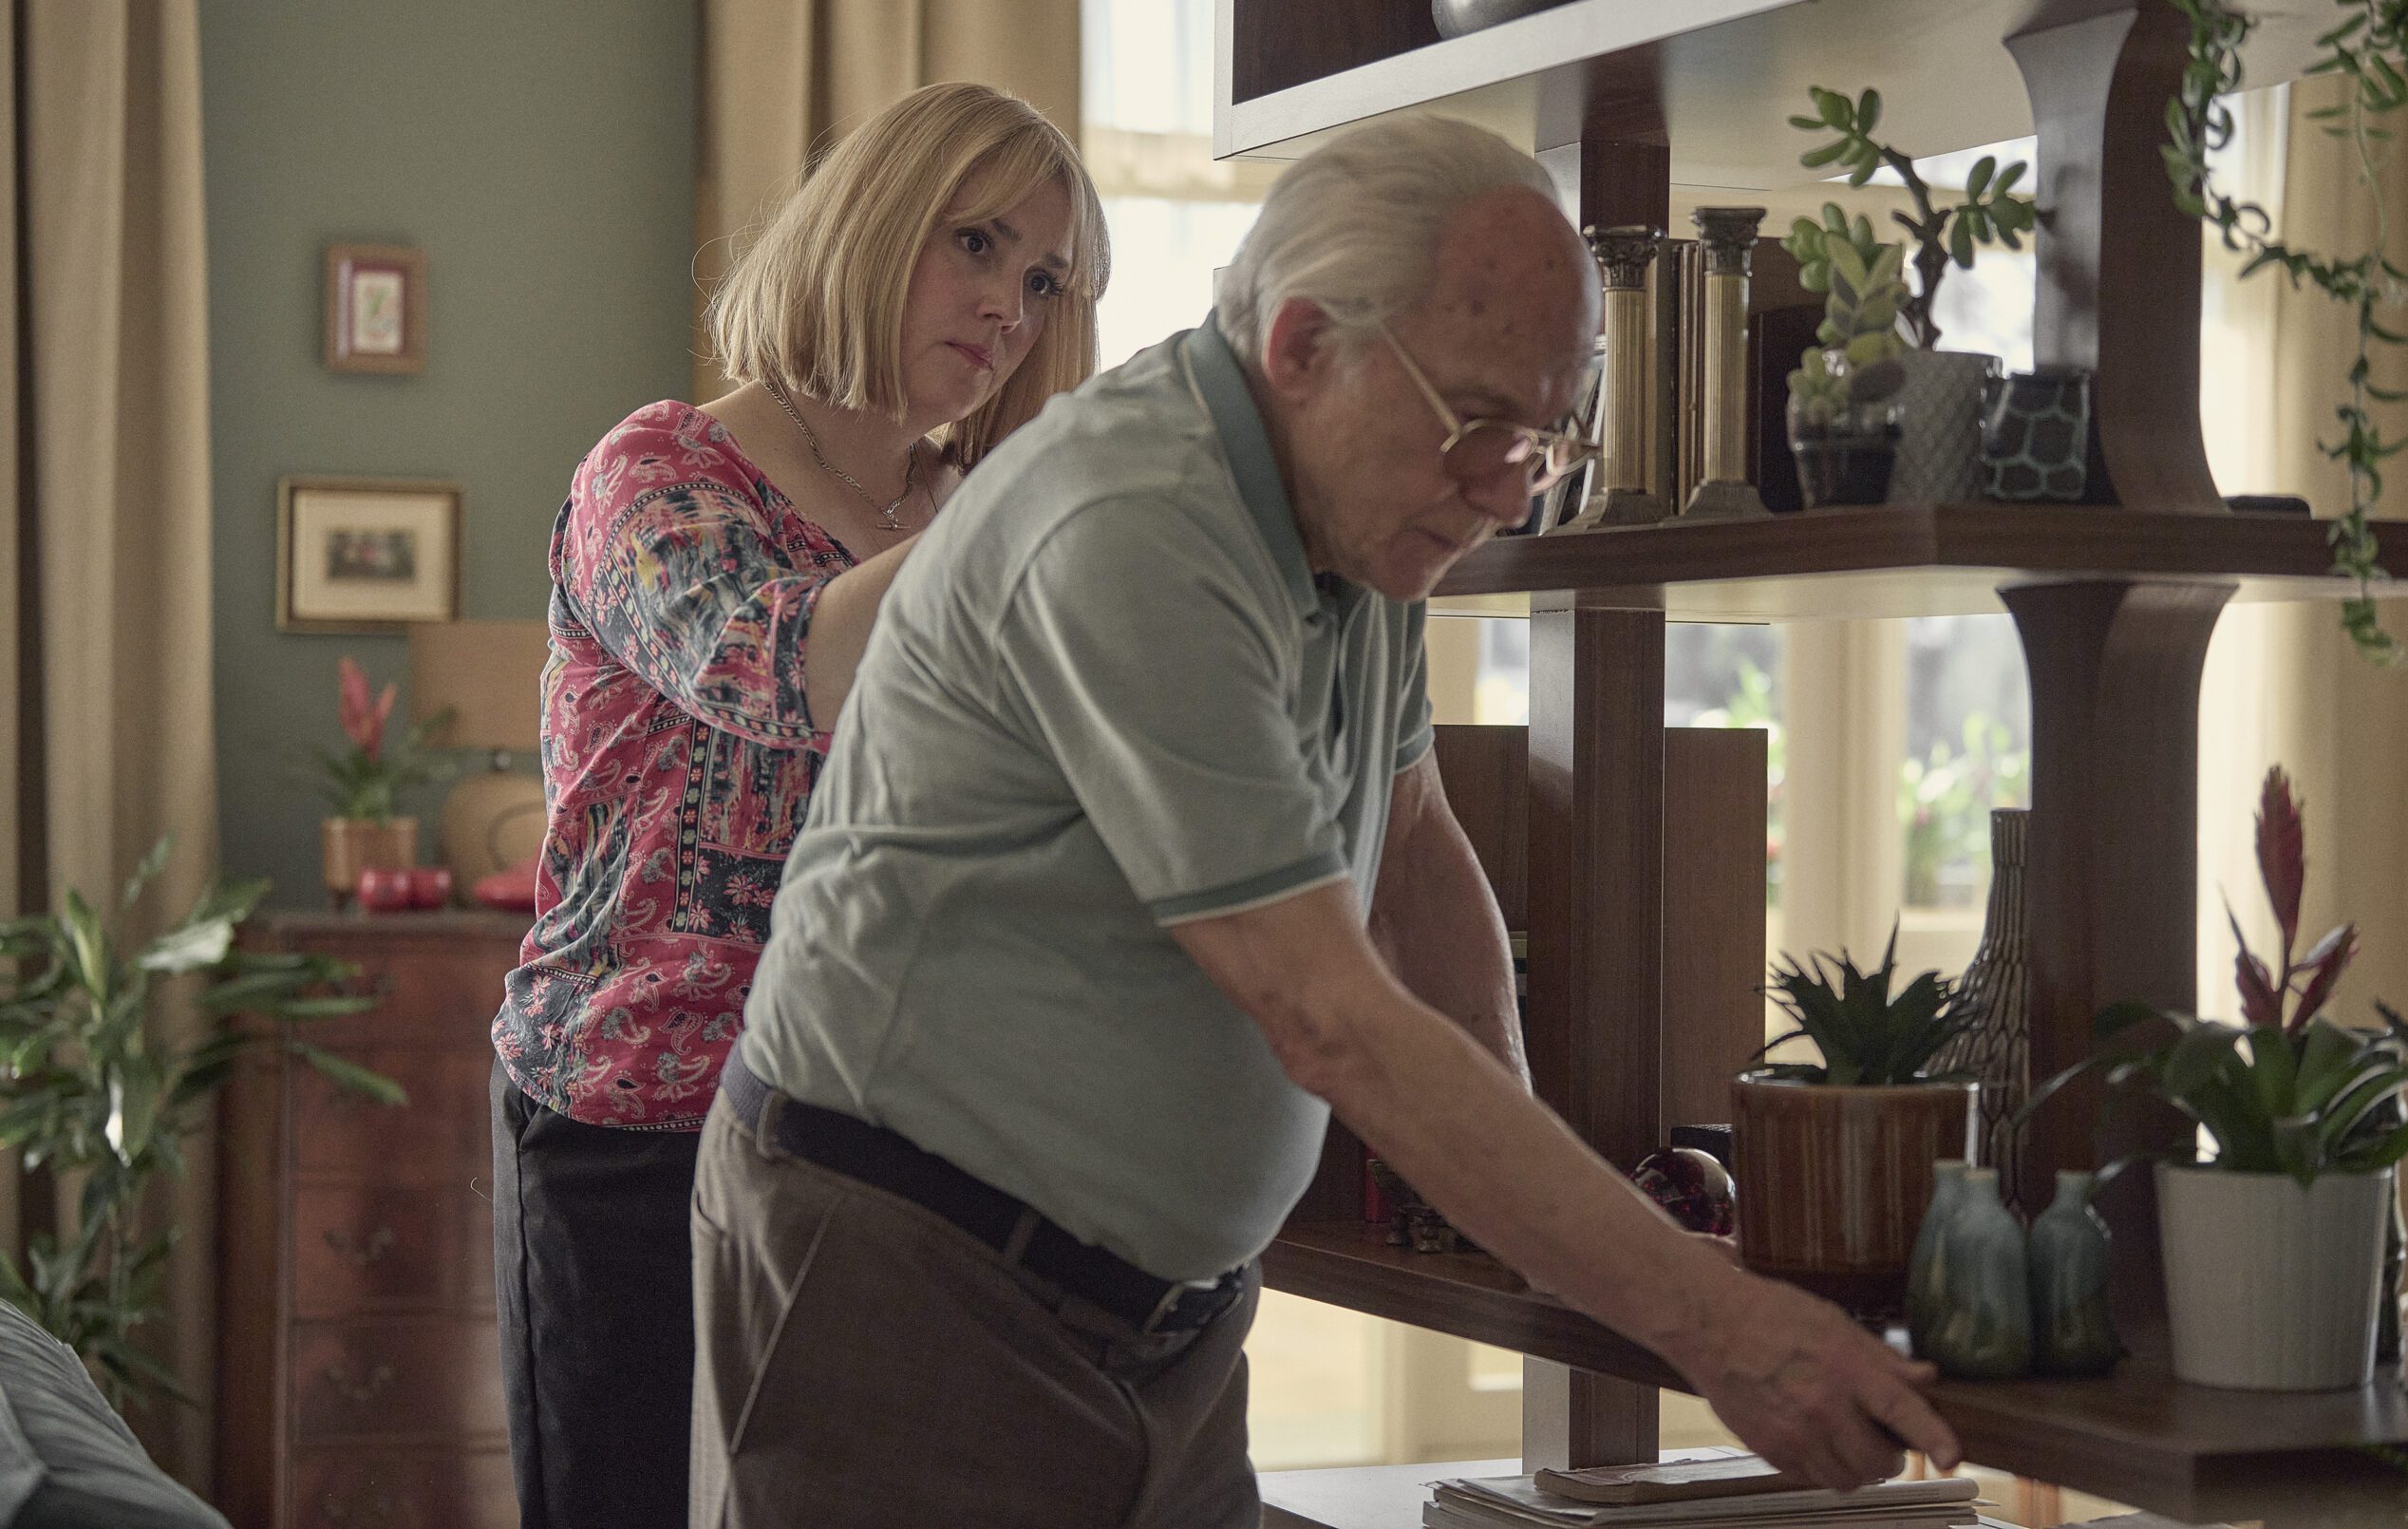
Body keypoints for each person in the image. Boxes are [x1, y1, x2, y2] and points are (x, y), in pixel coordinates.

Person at [690, 115, 1964, 1528]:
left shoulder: (1359, 520)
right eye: (1478, 422)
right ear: (1302, 348)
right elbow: (1327, 1012)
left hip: (1156, 1318)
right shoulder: (1134, 521)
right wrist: (1713, 1327)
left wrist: (1536, 1210)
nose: (1501, 493)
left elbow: (1412, 852)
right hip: (917, 1274)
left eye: (1541, 440)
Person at [489, 82, 1108, 1529]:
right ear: (871, 222)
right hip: (635, 1131)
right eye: (974, 243)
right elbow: (775, 663)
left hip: (897, 1153)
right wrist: (1023, 515)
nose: (1009, 308)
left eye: (1043, 279)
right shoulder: (653, 473)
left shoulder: (984, 507)